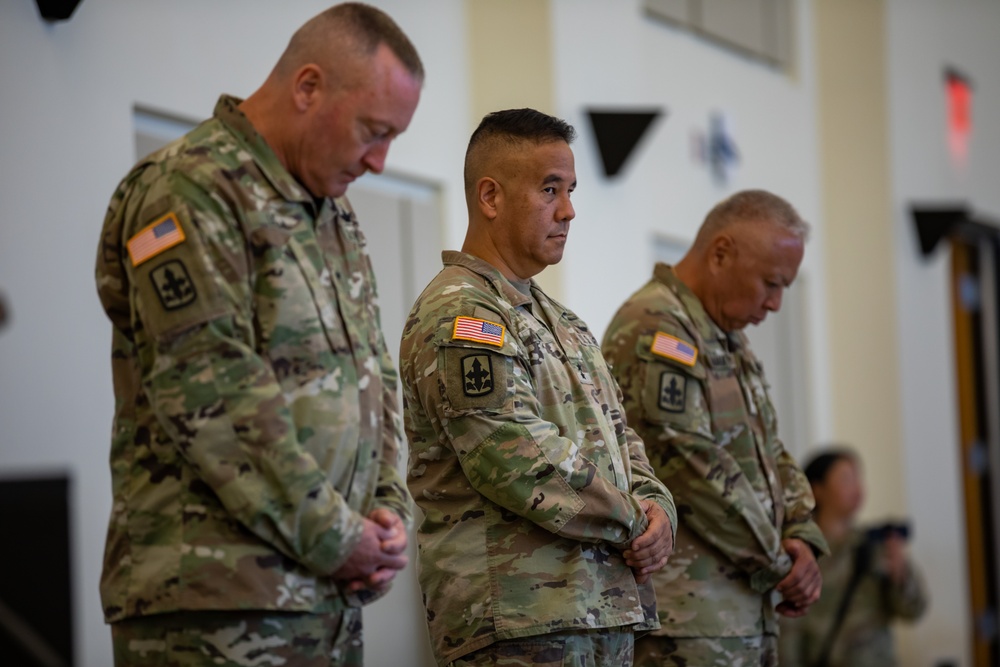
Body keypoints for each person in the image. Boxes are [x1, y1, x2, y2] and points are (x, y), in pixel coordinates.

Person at [93, 4, 423, 665]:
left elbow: (373, 377)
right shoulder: (188, 187)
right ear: (308, 87)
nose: (382, 161)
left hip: (322, 600)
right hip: (215, 605)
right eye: (373, 130)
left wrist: (386, 513)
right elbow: (212, 387)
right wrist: (338, 536)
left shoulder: (333, 213)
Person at [399, 108, 676, 666]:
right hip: (520, 622)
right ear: (491, 197)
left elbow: (623, 439)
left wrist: (658, 508)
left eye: (571, 190)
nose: (569, 210)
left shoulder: (564, 322)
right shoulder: (462, 312)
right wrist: (632, 521)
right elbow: (513, 456)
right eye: (550, 189)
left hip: (600, 612)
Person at [601, 189, 830, 667]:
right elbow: (687, 463)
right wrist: (780, 562)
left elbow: (771, 452)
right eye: (770, 282)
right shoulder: (657, 327)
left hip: (745, 613)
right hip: (687, 623)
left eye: (785, 286)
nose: (776, 303)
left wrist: (803, 533)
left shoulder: (727, 337)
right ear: (722, 253)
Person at [778, 448, 928, 667]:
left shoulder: (875, 546)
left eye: (859, 477)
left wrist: (901, 573)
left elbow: (913, 611)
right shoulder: (799, 552)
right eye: (846, 479)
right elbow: (788, 629)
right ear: (817, 489)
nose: (857, 487)